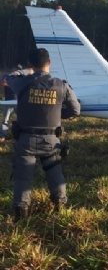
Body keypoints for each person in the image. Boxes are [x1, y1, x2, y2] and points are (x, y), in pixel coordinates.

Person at [4, 48, 81, 221]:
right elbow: (76, 110)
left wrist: (26, 72)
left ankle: (21, 213)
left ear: (30, 65)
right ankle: (60, 205)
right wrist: (57, 114)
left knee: (22, 177)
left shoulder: (22, 83)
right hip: (51, 140)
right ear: (50, 63)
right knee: (55, 173)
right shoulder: (61, 85)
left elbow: (8, 77)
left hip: (25, 139)